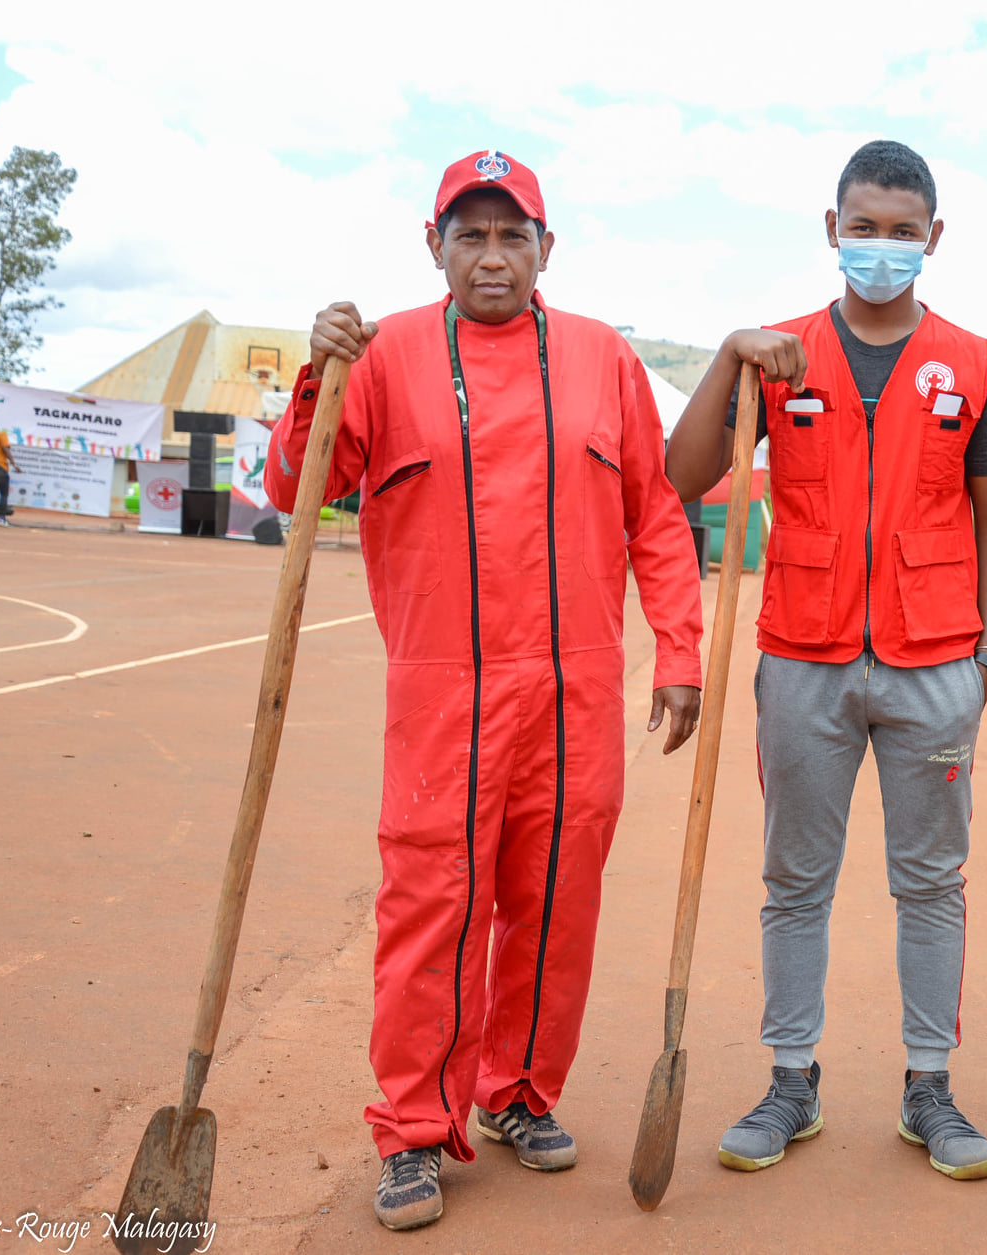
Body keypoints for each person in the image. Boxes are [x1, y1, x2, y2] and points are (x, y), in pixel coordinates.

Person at [266, 150, 706, 1232]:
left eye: (515, 236)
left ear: (546, 251)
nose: (494, 255)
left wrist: (681, 652)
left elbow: (656, 515)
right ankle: (413, 1128)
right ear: (435, 246)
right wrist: (316, 381)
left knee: (556, 899)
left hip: (577, 688)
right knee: (430, 903)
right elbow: (300, 487)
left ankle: (516, 1090)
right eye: (472, 234)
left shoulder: (604, 358)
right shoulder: (380, 356)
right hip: (443, 690)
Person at [666, 140, 987, 1182]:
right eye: (861, 228)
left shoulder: (974, 362)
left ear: (933, 238)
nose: (880, 248)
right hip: (803, 658)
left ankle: (929, 1089)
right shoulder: (777, 355)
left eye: (901, 231)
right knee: (794, 880)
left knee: (930, 882)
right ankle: (790, 1080)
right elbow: (685, 475)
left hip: (933, 662)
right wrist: (728, 359)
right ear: (830, 229)